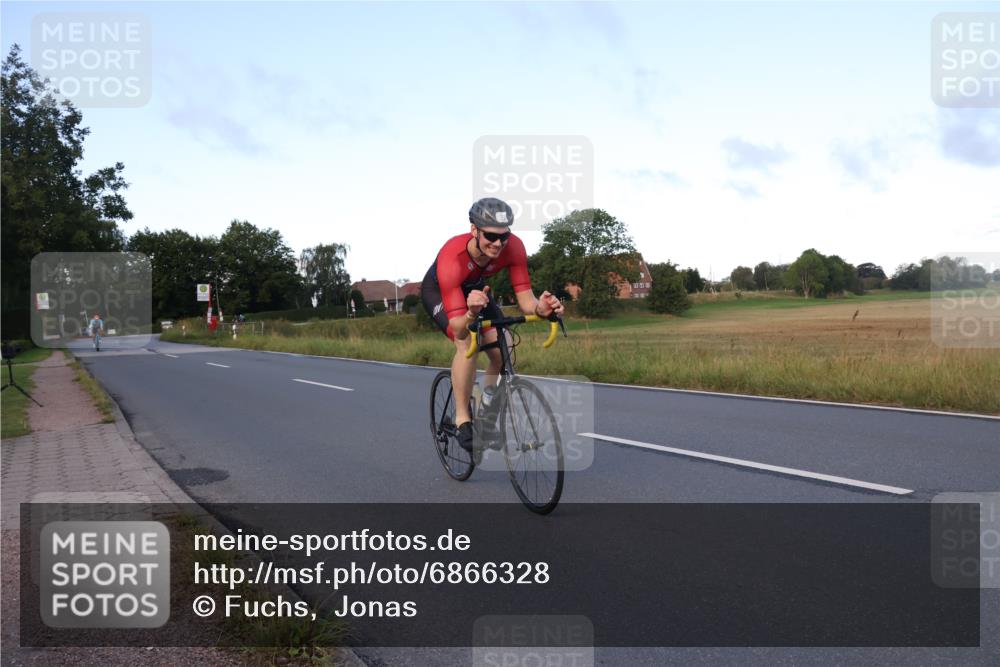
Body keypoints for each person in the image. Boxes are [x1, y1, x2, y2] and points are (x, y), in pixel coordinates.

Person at [421, 197, 564, 453]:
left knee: (504, 345)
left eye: (504, 236)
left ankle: (485, 412)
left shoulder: (514, 248)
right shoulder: (453, 257)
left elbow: (526, 300)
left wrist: (541, 309)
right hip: (441, 292)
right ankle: (463, 418)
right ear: (474, 230)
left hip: (476, 291)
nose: (498, 244)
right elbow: (459, 326)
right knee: (466, 342)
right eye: (490, 236)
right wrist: (470, 315)